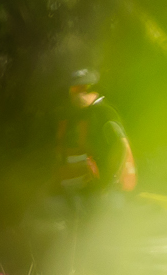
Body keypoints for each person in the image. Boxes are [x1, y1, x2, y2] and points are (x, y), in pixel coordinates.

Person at [54, 69, 137, 200]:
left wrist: (109, 183)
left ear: (91, 90)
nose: (73, 95)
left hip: (111, 192)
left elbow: (121, 146)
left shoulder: (104, 112)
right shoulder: (88, 114)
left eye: (78, 90)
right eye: (72, 90)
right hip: (95, 189)